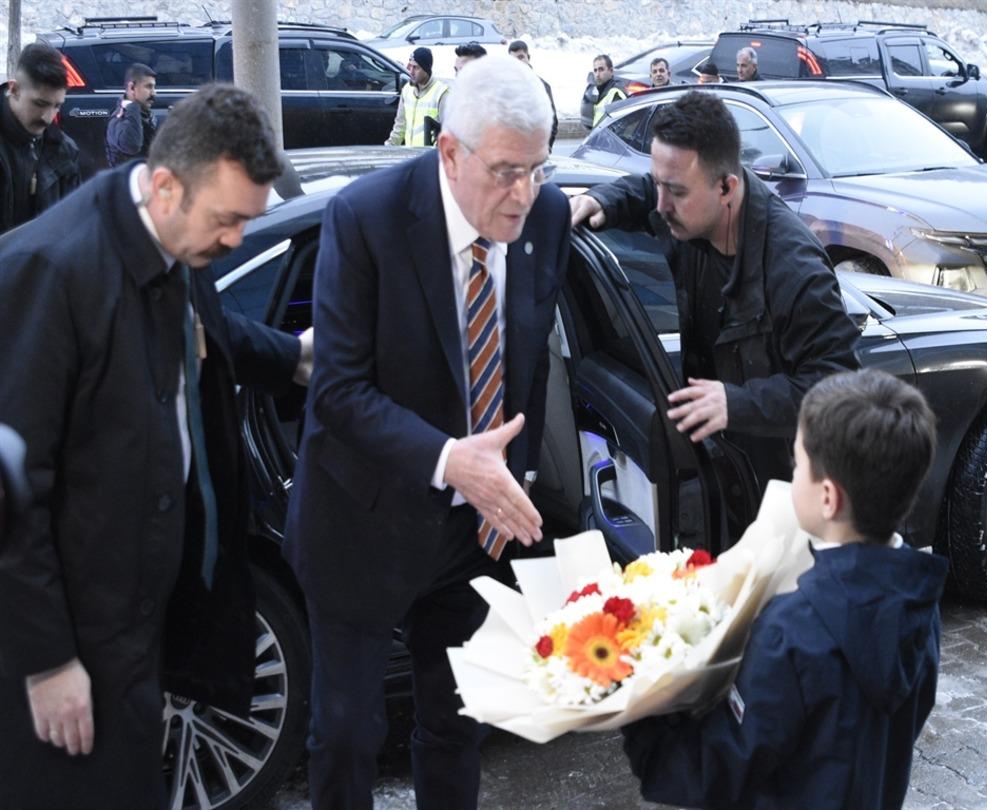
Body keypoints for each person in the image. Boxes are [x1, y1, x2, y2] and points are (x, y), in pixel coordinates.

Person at [0, 83, 313, 810]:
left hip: (142, 626)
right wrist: (47, 664)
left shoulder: (169, 237)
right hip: (70, 641)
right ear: (167, 185)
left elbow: (208, 335)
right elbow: (14, 498)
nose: (236, 239)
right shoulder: (50, 273)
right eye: (229, 220)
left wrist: (293, 357)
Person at [284, 54, 570, 810]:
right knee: (346, 735)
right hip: (361, 524)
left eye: (539, 168)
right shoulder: (366, 217)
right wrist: (452, 460)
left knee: (459, 726)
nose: (525, 193)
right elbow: (338, 392)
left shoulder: (548, 216)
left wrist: (513, 482)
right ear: (450, 151)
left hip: (474, 535)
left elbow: (528, 369)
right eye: (507, 171)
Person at [623, 368, 950, 809]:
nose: (792, 475)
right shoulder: (920, 602)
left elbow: (716, 770)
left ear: (828, 497)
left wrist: (641, 706)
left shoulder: (790, 632)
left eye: (798, 466)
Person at [570, 91, 859, 486]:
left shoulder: (794, 270)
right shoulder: (689, 213)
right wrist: (601, 199)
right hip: (721, 475)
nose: (661, 205)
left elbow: (840, 390)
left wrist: (737, 403)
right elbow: (645, 191)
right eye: (659, 185)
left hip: (783, 492)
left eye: (676, 192)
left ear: (726, 187)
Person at [0, 42, 80, 233]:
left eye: (57, 106)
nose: (48, 117)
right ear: (15, 89)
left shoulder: (65, 152)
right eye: (40, 104)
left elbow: (72, 229)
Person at [385, 47, 449, 147]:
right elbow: (400, 126)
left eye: (416, 67)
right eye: (410, 66)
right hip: (410, 155)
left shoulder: (441, 92)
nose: (411, 71)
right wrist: (388, 149)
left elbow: (447, 132)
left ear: (426, 69)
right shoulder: (407, 90)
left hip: (430, 157)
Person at [105, 62, 157, 166]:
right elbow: (132, 145)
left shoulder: (144, 114)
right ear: (132, 88)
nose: (154, 93)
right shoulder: (120, 119)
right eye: (149, 87)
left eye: (154, 87)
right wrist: (132, 106)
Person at [509, 39, 558, 146]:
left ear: (528, 58)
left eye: (521, 57)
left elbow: (552, 122)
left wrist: (546, 148)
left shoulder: (542, 86)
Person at [589, 53, 627, 128]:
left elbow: (618, 127)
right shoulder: (601, 91)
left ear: (611, 71)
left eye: (601, 69)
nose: (597, 74)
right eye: (595, 70)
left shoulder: (616, 93)